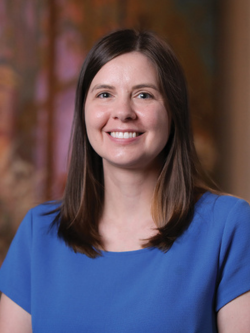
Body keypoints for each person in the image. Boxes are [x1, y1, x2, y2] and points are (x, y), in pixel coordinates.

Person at [0, 29, 249, 333]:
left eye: (143, 95)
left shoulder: (228, 226)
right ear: (84, 111)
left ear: (173, 111)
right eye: (105, 94)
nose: (122, 112)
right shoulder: (37, 233)